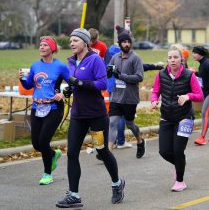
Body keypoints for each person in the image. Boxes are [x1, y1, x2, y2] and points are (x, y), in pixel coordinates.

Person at [56, 28, 124, 208]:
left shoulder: (95, 59)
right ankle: (74, 195)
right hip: (78, 115)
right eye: (70, 41)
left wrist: (78, 83)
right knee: (71, 153)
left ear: (85, 42)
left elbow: (102, 84)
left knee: (102, 151)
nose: (71, 44)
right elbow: (72, 82)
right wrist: (69, 89)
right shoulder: (70, 61)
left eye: (75, 41)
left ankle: (117, 184)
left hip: (96, 116)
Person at [150, 45, 204, 191]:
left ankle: (180, 181)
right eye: (170, 57)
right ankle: (179, 165)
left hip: (184, 118)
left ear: (181, 59)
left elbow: (199, 95)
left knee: (178, 150)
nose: (172, 60)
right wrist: (154, 101)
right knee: (164, 151)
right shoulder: (161, 75)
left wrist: (187, 96)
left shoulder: (189, 75)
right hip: (167, 117)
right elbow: (155, 92)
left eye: (175, 57)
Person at [19, 36, 68, 185]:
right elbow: (28, 86)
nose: (41, 47)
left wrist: (63, 94)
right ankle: (54, 154)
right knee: (36, 144)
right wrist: (22, 79)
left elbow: (73, 84)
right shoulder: (34, 66)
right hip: (37, 107)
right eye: (40, 45)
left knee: (43, 141)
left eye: (45, 45)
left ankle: (48, 174)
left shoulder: (60, 66)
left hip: (54, 108)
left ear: (52, 49)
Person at [107, 29, 146, 158]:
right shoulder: (115, 57)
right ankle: (109, 153)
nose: (126, 44)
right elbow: (110, 70)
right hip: (116, 97)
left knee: (130, 124)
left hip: (130, 98)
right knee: (112, 123)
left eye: (128, 42)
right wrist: (108, 73)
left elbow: (139, 77)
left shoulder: (136, 58)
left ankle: (140, 141)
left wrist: (121, 76)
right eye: (123, 42)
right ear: (119, 44)